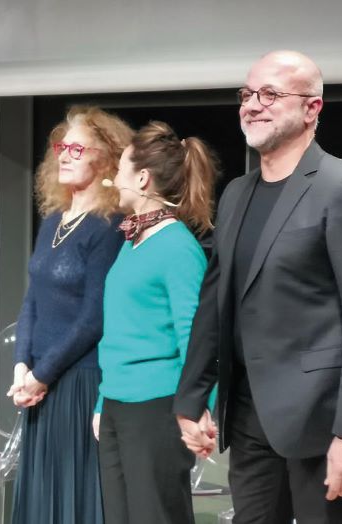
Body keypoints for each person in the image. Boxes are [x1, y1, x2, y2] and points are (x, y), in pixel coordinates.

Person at [174, 50, 342, 523]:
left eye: (270, 94)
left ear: (312, 108)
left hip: (321, 424)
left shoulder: (341, 186)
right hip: (248, 415)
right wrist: (192, 397)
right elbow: (214, 301)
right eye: (247, 94)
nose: (253, 104)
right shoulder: (237, 192)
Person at [8, 106, 133, 524]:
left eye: (78, 148)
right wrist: (21, 365)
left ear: (107, 159)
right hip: (41, 383)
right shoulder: (53, 222)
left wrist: (41, 375)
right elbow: (33, 301)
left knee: (76, 497)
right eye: (62, 146)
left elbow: (94, 317)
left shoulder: (111, 226)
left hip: (79, 381)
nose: (64, 154)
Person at [94, 121, 216, 524]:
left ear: (143, 178)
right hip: (116, 403)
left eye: (123, 168)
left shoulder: (177, 247)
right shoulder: (133, 241)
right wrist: (101, 402)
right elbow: (119, 331)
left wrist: (200, 410)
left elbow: (196, 339)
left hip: (157, 408)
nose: (114, 179)